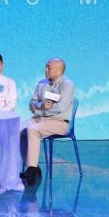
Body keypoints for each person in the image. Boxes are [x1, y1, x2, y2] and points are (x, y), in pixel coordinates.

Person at [21, 57, 75, 186]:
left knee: (33, 130)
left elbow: (60, 108)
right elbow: (32, 103)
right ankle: (33, 167)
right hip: (41, 119)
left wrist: (39, 111)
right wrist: (41, 105)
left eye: (49, 68)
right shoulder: (41, 83)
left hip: (60, 121)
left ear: (59, 71)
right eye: (46, 66)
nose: (46, 69)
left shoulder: (67, 85)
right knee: (20, 130)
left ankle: (31, 171)